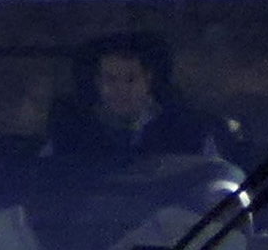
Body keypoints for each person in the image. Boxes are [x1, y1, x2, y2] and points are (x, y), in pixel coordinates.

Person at [56, 35, 227, 161]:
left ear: (148, 79)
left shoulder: (191, 132)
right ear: (97, 82)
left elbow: (216, 185)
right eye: (110, 79)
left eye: (131, 79)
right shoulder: (71, 133)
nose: (121, 89)